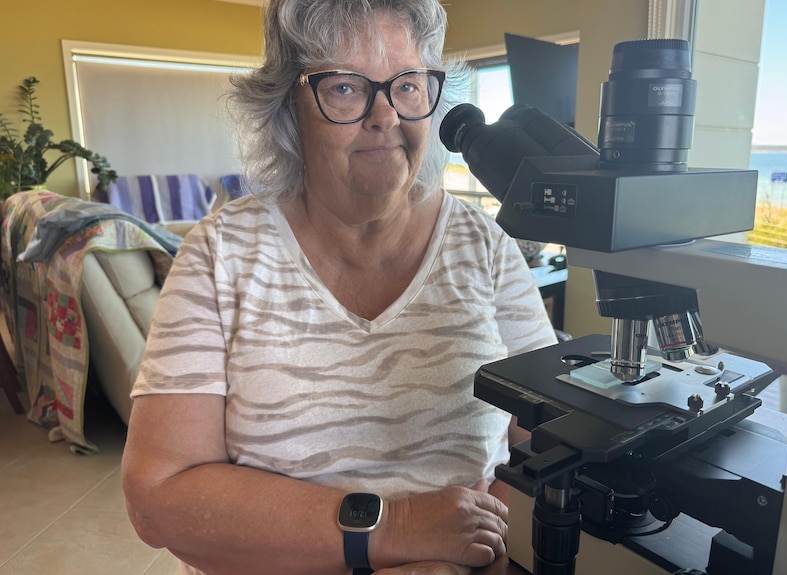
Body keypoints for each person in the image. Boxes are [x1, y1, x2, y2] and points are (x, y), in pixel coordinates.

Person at [121, 0, 558, 574]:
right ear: (289, 109)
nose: (386, 115)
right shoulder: (220, 252)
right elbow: (160, 497)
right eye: (347, 88)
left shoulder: (487, 248)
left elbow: (550, 451)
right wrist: (396, 530)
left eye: (407, 84)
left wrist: (475, 545)